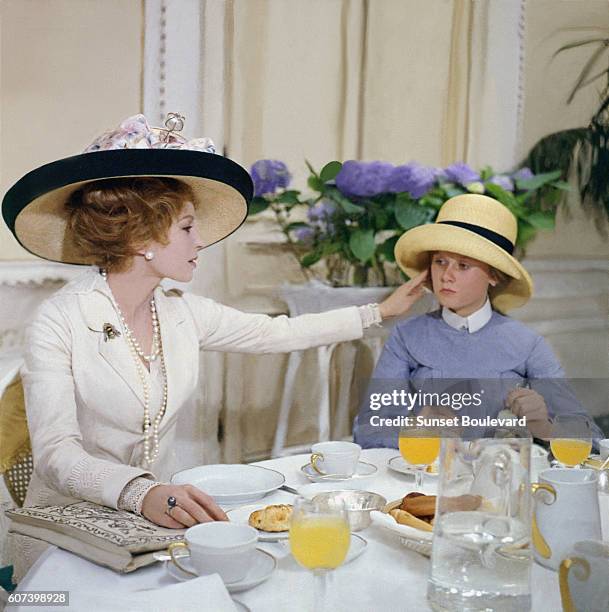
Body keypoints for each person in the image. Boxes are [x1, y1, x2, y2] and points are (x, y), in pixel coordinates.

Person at [1, 114, 426, 574]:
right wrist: (140, 491)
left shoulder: (181, 312)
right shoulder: (59, 320)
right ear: (143, 236)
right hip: (66, 534)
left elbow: (275, 333)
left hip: (159, 525)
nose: (200, 241)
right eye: (187, 228)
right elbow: (56, 455)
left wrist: (377, 313)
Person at [353, 193, 603, 448]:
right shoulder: (407, 336)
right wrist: (417, 427)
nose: (446, 276)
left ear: (494, 276)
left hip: (500, 481)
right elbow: (367, 432)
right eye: (440, 261)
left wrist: (545, 428)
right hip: (426, 484)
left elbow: (592, 440)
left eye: (463, 265)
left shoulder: (527, 343)